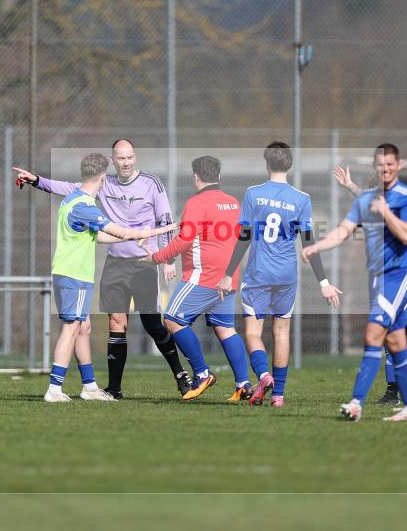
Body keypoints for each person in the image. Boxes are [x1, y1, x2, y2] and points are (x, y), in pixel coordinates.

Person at [13, 139, 192, 399]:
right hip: (114, 264)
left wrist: (167, 259)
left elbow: (164, 218)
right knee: (115, 323)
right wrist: (37, 180)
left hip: (144, 265)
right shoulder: (102, 183)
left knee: (152, 324)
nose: (127, 162)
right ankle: (113, 389)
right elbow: (67, 187)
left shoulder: (151, 183)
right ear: (112, 161)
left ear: (135, 156)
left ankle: (180, 374)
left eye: (130, 157)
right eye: (121, 158)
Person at [302, 143, 407, 423]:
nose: (386, 169)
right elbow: (344, 231)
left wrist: (385, 212)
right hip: (377, 277)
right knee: (395, 340)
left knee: (372, 334)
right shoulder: (366, 199)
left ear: (399, 165)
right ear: (375, 166)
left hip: (399, 275)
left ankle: (356, 403)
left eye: (390, 164)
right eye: (381, 164)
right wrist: (317, 247)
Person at [44, 153, 176, 403]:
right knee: (71, 328)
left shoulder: (71, 200)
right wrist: (159, 230)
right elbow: (121, 231)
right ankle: (55, 387)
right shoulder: (85, 207)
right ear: (103, 178)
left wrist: (132, 237)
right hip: (74, 274)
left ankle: (90, 386)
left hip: (66, 272)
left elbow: (100, 236)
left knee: (84, 327)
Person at [219, 141, 342, 408]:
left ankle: (264, 376)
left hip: (258, 274)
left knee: (252, 333)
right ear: (290, 164)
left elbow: (244, 237)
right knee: (282, 333)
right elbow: (310, 244)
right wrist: (324, 282)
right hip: (287, 276)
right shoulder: (302, 199)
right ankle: (278, 396)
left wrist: (229, 273)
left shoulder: (253, 194)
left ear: (266, 164)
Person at [141, 156, 252, 401]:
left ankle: (202, 373)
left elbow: (183, 240)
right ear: (219, 177)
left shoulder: (196, 202)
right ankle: (244, 383)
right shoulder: (233, 203)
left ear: (195, 177)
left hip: (203, 277)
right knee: (225, 328)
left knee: (172, 319)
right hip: (228, 277)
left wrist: (157, 258)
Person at [333, 164, 407, 405]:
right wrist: (350, 186)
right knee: (406, 338)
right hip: (391, 284)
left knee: (389, 332)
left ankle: (393, 392)